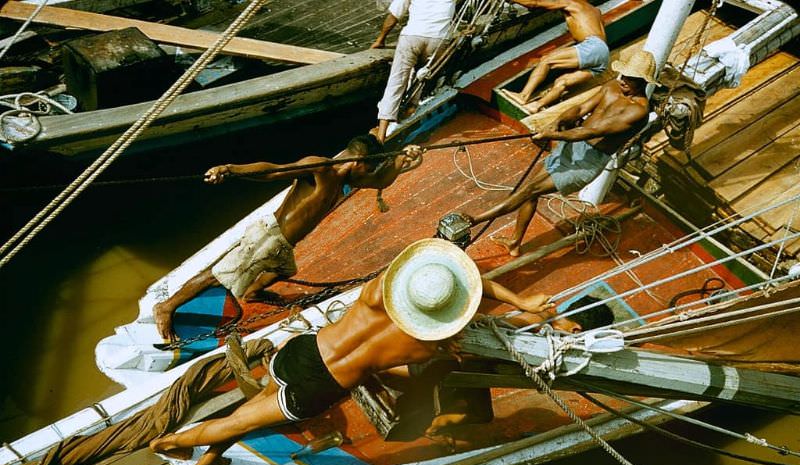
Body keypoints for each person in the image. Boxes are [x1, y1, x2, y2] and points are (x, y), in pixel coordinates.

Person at [150, 238, 570, 465]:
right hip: (323, 385)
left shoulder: (376, 291)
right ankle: (167, 444)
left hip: (303, 351)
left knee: (252, 408)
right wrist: (524, 306)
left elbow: (472, 280)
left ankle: (207, 458)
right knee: (239, 420)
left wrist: (518, 300)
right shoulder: (427, 344)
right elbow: (411, 368)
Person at [153, 134, 423, 342]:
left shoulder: (345, 179)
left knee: (284, 269)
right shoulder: (320, 168)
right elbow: (273, 170)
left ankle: (254, 291)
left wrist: (403, 160)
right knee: (218, 275)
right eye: (370, 168)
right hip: (268, 237)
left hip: (283, 244)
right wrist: (230, 168)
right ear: (359, 163)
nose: (370, 174)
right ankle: (167, 307)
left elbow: (380, 182)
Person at [465, 50, 657, 256]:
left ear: (644, 82)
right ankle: (514, 243)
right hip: (572, 146)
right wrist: (558, 121)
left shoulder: (639, 112)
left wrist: (552, 134)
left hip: (588, 162)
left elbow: (591, 131)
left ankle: (475, 220)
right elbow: (580, 108)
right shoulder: (612, 86)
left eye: (631, 78)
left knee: (529, 190)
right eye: (624, 74)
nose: (624, 80)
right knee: (531, 192)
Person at [502, 0, 608, 114]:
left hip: (592, 46)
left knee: (546, 61)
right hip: (603, 55)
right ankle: (536, 106)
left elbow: (534, 3)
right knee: (562, 82)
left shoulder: (571, 3)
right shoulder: (596, 11)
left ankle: (523, 96)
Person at [372, 0, 456, 142]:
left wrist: (380, 39)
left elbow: (394, 16)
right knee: (420, 80)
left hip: (413, 37)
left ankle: (381, 135)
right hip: (439, 40)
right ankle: (407, 115)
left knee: (396, 82)